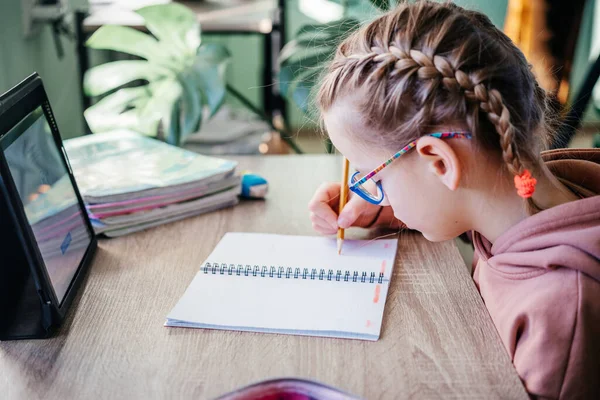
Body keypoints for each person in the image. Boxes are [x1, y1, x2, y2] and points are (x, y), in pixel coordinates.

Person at [308, 2, 600, 398]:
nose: (364, 189)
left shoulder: (562, 319)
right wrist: (397, 210)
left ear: (440, 164)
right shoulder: (534, 193)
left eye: (371, 177)